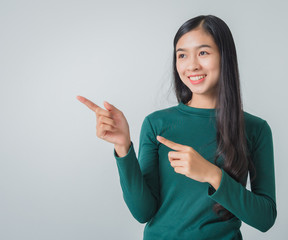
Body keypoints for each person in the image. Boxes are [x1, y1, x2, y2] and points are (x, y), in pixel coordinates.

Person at [77, 14, 276, 240]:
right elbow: (143, 212)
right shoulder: (156, 124)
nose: (191, 65)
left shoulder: (255, 129)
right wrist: (123, 147)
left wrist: (212, 174)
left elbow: (265, 218)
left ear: (225, 57)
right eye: (182, 55)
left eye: (203, 52)